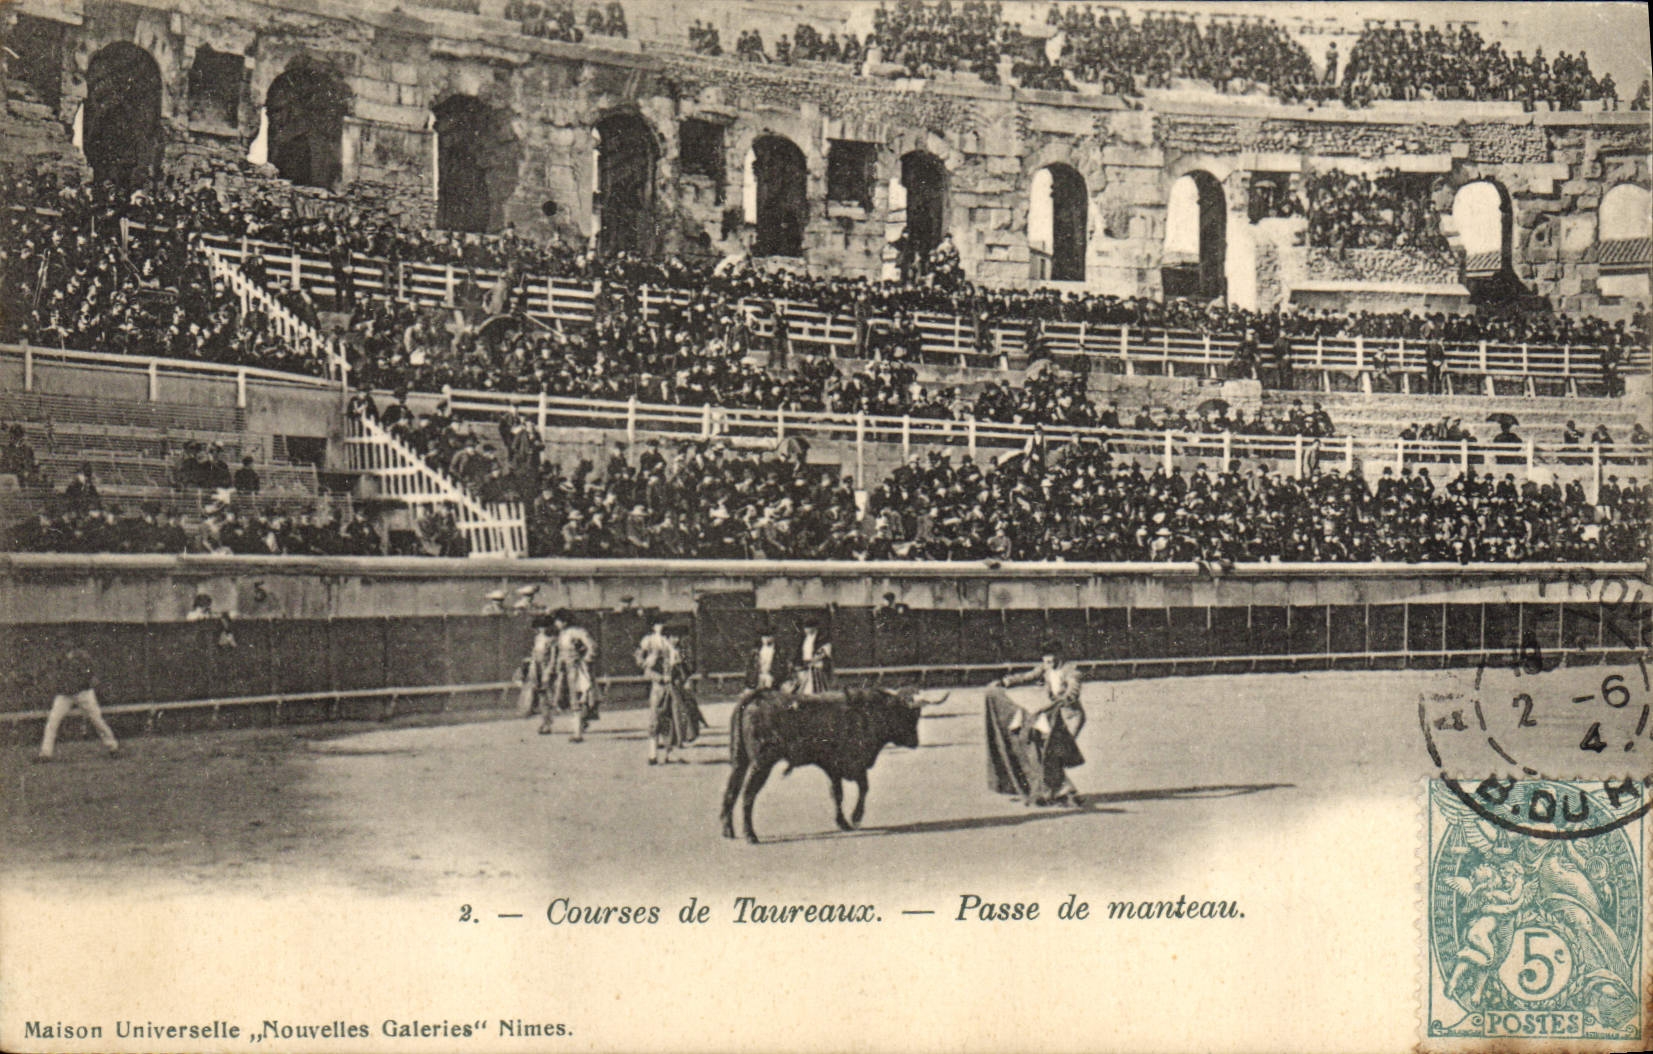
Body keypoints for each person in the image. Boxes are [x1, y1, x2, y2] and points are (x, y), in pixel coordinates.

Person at [984, 640, 1086, 806]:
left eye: (1051, 660)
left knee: (1050, 752)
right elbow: (1027, 676)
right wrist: (1005, 682)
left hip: (1071, 717)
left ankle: (1063, 791)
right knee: (1047, 752)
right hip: (1053, 716)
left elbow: (1073, 691)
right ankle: (1061, 791)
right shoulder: (1046, 668)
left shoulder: (1071, 671)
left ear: (1060, 655)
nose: (1048, 663)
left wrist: (1062, 700)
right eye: (1045, 660)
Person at [36, 643, 119, 762]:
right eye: (60, 643)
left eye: (65, 643)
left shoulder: (82, 656)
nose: (63, 646)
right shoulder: (58, 658)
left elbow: (93, 673)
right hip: (65, 695)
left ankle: (113, 747)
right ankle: (45, 754)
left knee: (97, 720)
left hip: (83, 693)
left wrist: (87, 683)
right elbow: (54, 675)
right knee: (53, 721)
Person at [636, 619, 703, 765]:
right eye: (673, 637)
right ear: (667, 638)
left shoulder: (681, 652)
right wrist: (661, 678)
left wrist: (682, 678)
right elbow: (647, 672)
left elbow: (688, 670)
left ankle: (668, 754)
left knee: (674, 721)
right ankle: (652, 755)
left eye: (678, 637)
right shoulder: (658, 653)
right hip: (660, 690)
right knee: (656, 720)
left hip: (676, 690)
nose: (676, 640)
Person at [541, 609, 599, 740]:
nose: (556, 623)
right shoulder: (562, 634)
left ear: (564, 621)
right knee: (568, 699)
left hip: (576, 669)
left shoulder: (578, 632)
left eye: (558, 620)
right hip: (564, 671)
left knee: (578, 699)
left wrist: (584, 661)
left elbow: (593, 647)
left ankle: (578, 733)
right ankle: (579, 729)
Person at [792, 614, 834, 694]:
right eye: (805, 628)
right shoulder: (804, 639)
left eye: (808, 628)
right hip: (805, 668)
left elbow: (824, 652)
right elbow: (799, 653)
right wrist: (798, 664)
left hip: (817, 668)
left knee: (817, 689)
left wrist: (813, 660)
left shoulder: (822, 638)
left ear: (814, 628)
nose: (806, 630)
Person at [745, 625, 792, 693]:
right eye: (764, 637)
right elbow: (751, 667)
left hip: (773, 678)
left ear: (773, 637)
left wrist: (774, 677)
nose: (766, 639)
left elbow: (782, 668)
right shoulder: (756, 651)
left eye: (769, 636)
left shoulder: (779, 651)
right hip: (758, 677)